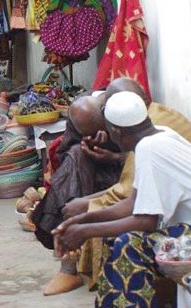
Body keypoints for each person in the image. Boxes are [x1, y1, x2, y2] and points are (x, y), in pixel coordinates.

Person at [53, 91, 191, 307]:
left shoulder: (150, 147)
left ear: (116, 131)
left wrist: (85, 231)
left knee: (129, 244)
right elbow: (133, 204)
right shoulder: (161, 134)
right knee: (114, 239)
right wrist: (84, 220)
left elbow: (147, 221)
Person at [29, 95, 123, 296]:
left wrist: (113, 153)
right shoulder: (80, 113)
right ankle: (69, 260)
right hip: (93, 173)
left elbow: (136, 159)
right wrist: (87, 145)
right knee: (75, 158)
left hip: (123, 174)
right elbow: (63, 153)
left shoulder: (122, 111)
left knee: (77, 169)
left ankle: (69, 264)